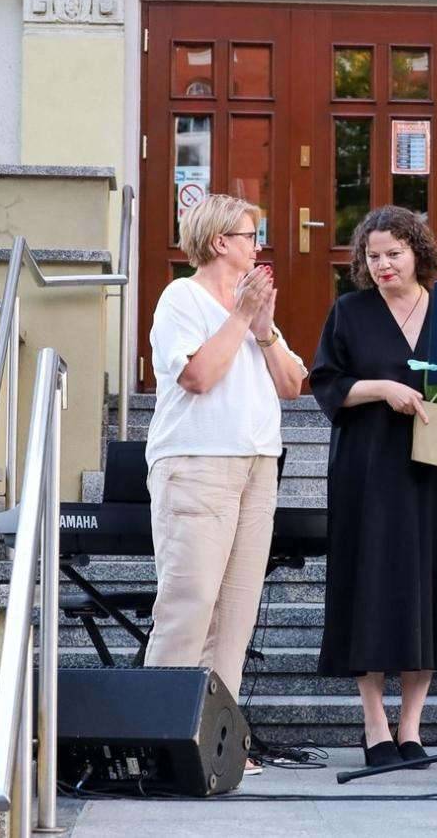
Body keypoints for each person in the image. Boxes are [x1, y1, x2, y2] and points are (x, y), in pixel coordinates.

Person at [142, 193, 307, 777]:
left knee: (235, 614)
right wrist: (240, 318)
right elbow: (198, 376)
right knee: (190, 606)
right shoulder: (182, 297)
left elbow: (294, 385)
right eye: (248, 236)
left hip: (257, 465)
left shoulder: (253, 312)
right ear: (219, 243)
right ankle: (158, 741)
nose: (256, 246)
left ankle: (217, 745)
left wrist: (263, 330)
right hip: (197, 463)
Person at [312, 206, 437, 770]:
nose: (382, 265)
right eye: (372, 256)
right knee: (369, 589)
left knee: (427, 589)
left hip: (433, 469)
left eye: (393, 254)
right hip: (367, 472)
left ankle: (412, 728)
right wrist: (382, 388)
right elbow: (327, 384)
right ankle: (374, 724)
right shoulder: (348, 312)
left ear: (417, 253)